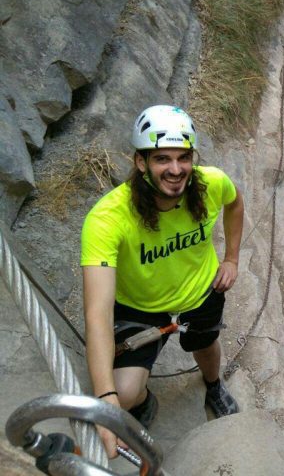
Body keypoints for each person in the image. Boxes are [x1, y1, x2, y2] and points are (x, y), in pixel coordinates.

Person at [80, 105, 244, 458]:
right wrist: (106, 402)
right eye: (162, 159)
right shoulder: (107, 219)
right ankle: (143, 401)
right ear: (141, 163)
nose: (175, 169)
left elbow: (235, 203)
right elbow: (97, 313)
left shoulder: (210, 182)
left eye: (184, 157)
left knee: (206, 343)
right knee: (124, 392)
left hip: (200, 291)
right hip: (139, 307)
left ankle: (213, 385)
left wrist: (231, 258)